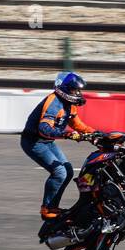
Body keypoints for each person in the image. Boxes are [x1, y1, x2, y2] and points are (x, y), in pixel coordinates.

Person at [22, 72, 95, 221]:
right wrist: (67, 135)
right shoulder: (54, 103)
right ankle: (46, 209)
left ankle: (53, 206)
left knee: (68, 171)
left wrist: (96, 134)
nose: (78, 93)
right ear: (65, 89)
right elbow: (44, 128)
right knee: (59, 172)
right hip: (34, 142)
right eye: (75, 90)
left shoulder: (69, 104)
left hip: (47, 142)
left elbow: (76, 124)